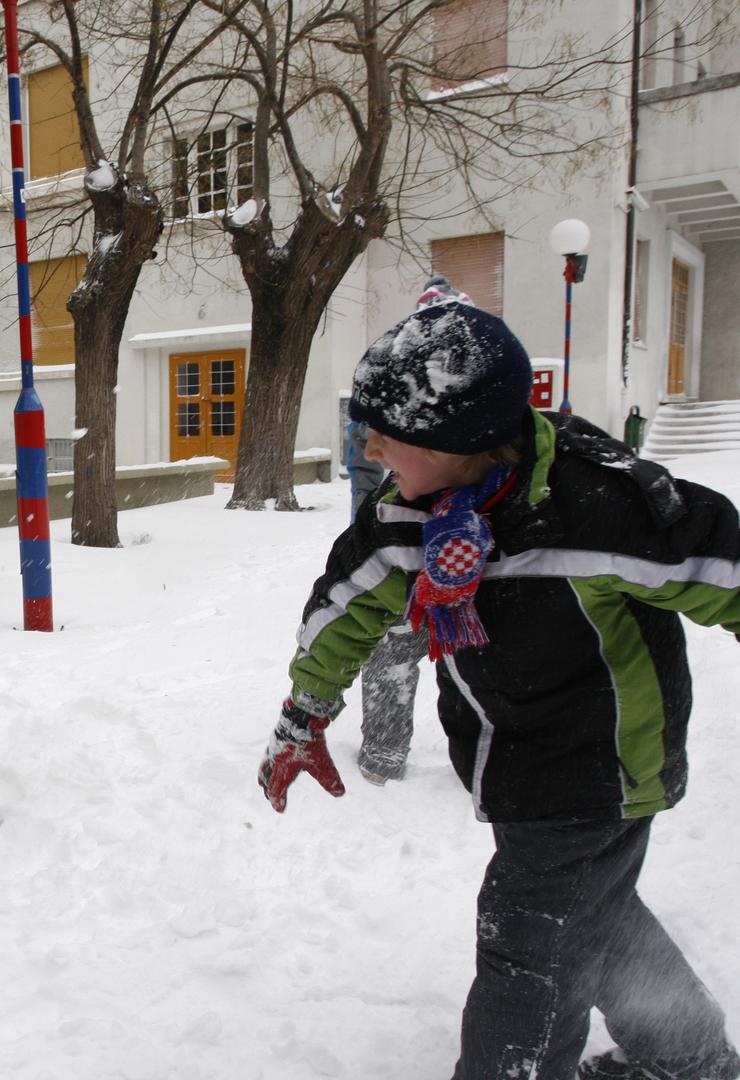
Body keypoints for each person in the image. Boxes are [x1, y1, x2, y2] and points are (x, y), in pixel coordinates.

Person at [256, 302, 740, 1080]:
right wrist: (303, 713)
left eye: (388, 431)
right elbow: (344, 608)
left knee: (530, 948)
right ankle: (693, 1058)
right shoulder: (405, 520)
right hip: (510, 766)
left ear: (465, 442)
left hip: (602, 769)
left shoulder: (600, 511)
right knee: (593, 921)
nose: (368, 444)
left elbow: (725, 568)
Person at [350, 276, 473, 786]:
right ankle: (477, 762)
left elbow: (363, 471)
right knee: (467, 657)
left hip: (443, 553)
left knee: (399, 653)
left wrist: (368, 534)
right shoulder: (487, 384)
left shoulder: (399, 386)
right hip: (459, 553)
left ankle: (383, 754)